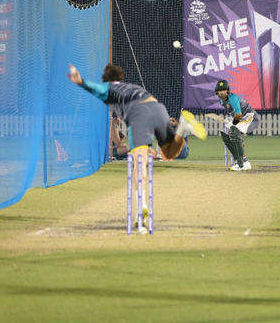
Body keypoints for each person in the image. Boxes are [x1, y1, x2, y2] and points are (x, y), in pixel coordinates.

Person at [67, 63, 207, 223]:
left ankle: (141, 207)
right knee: (169, 152)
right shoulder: (132, 87)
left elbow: (97, 89)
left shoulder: (109, 88)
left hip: (138, 114)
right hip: (158, 108)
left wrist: (81, 82)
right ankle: (182, 128)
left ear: (107, 80)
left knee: (138, 163)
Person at [215, 79, 260, 171]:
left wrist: (233, 123)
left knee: (235, 134)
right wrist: (231, 121)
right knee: (233, 136)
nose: (222, 92)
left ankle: (242, 164)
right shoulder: (222, 101)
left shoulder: (232, 98)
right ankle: (243, 161)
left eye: (224, 90)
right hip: (244, 119)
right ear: (217, 92)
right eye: (220, 90)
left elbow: (239, 115)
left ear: (228, 90)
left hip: (251, 118)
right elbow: (235, 114)